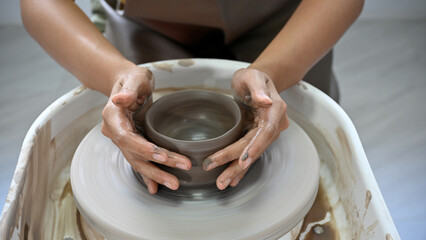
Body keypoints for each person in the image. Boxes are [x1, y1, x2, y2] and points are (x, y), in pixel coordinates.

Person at [20, 0, 364, 194]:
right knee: (119, 130)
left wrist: (275, 70)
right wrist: (115, 75)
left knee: (311, 153)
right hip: (144, 20)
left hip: (280, 19)